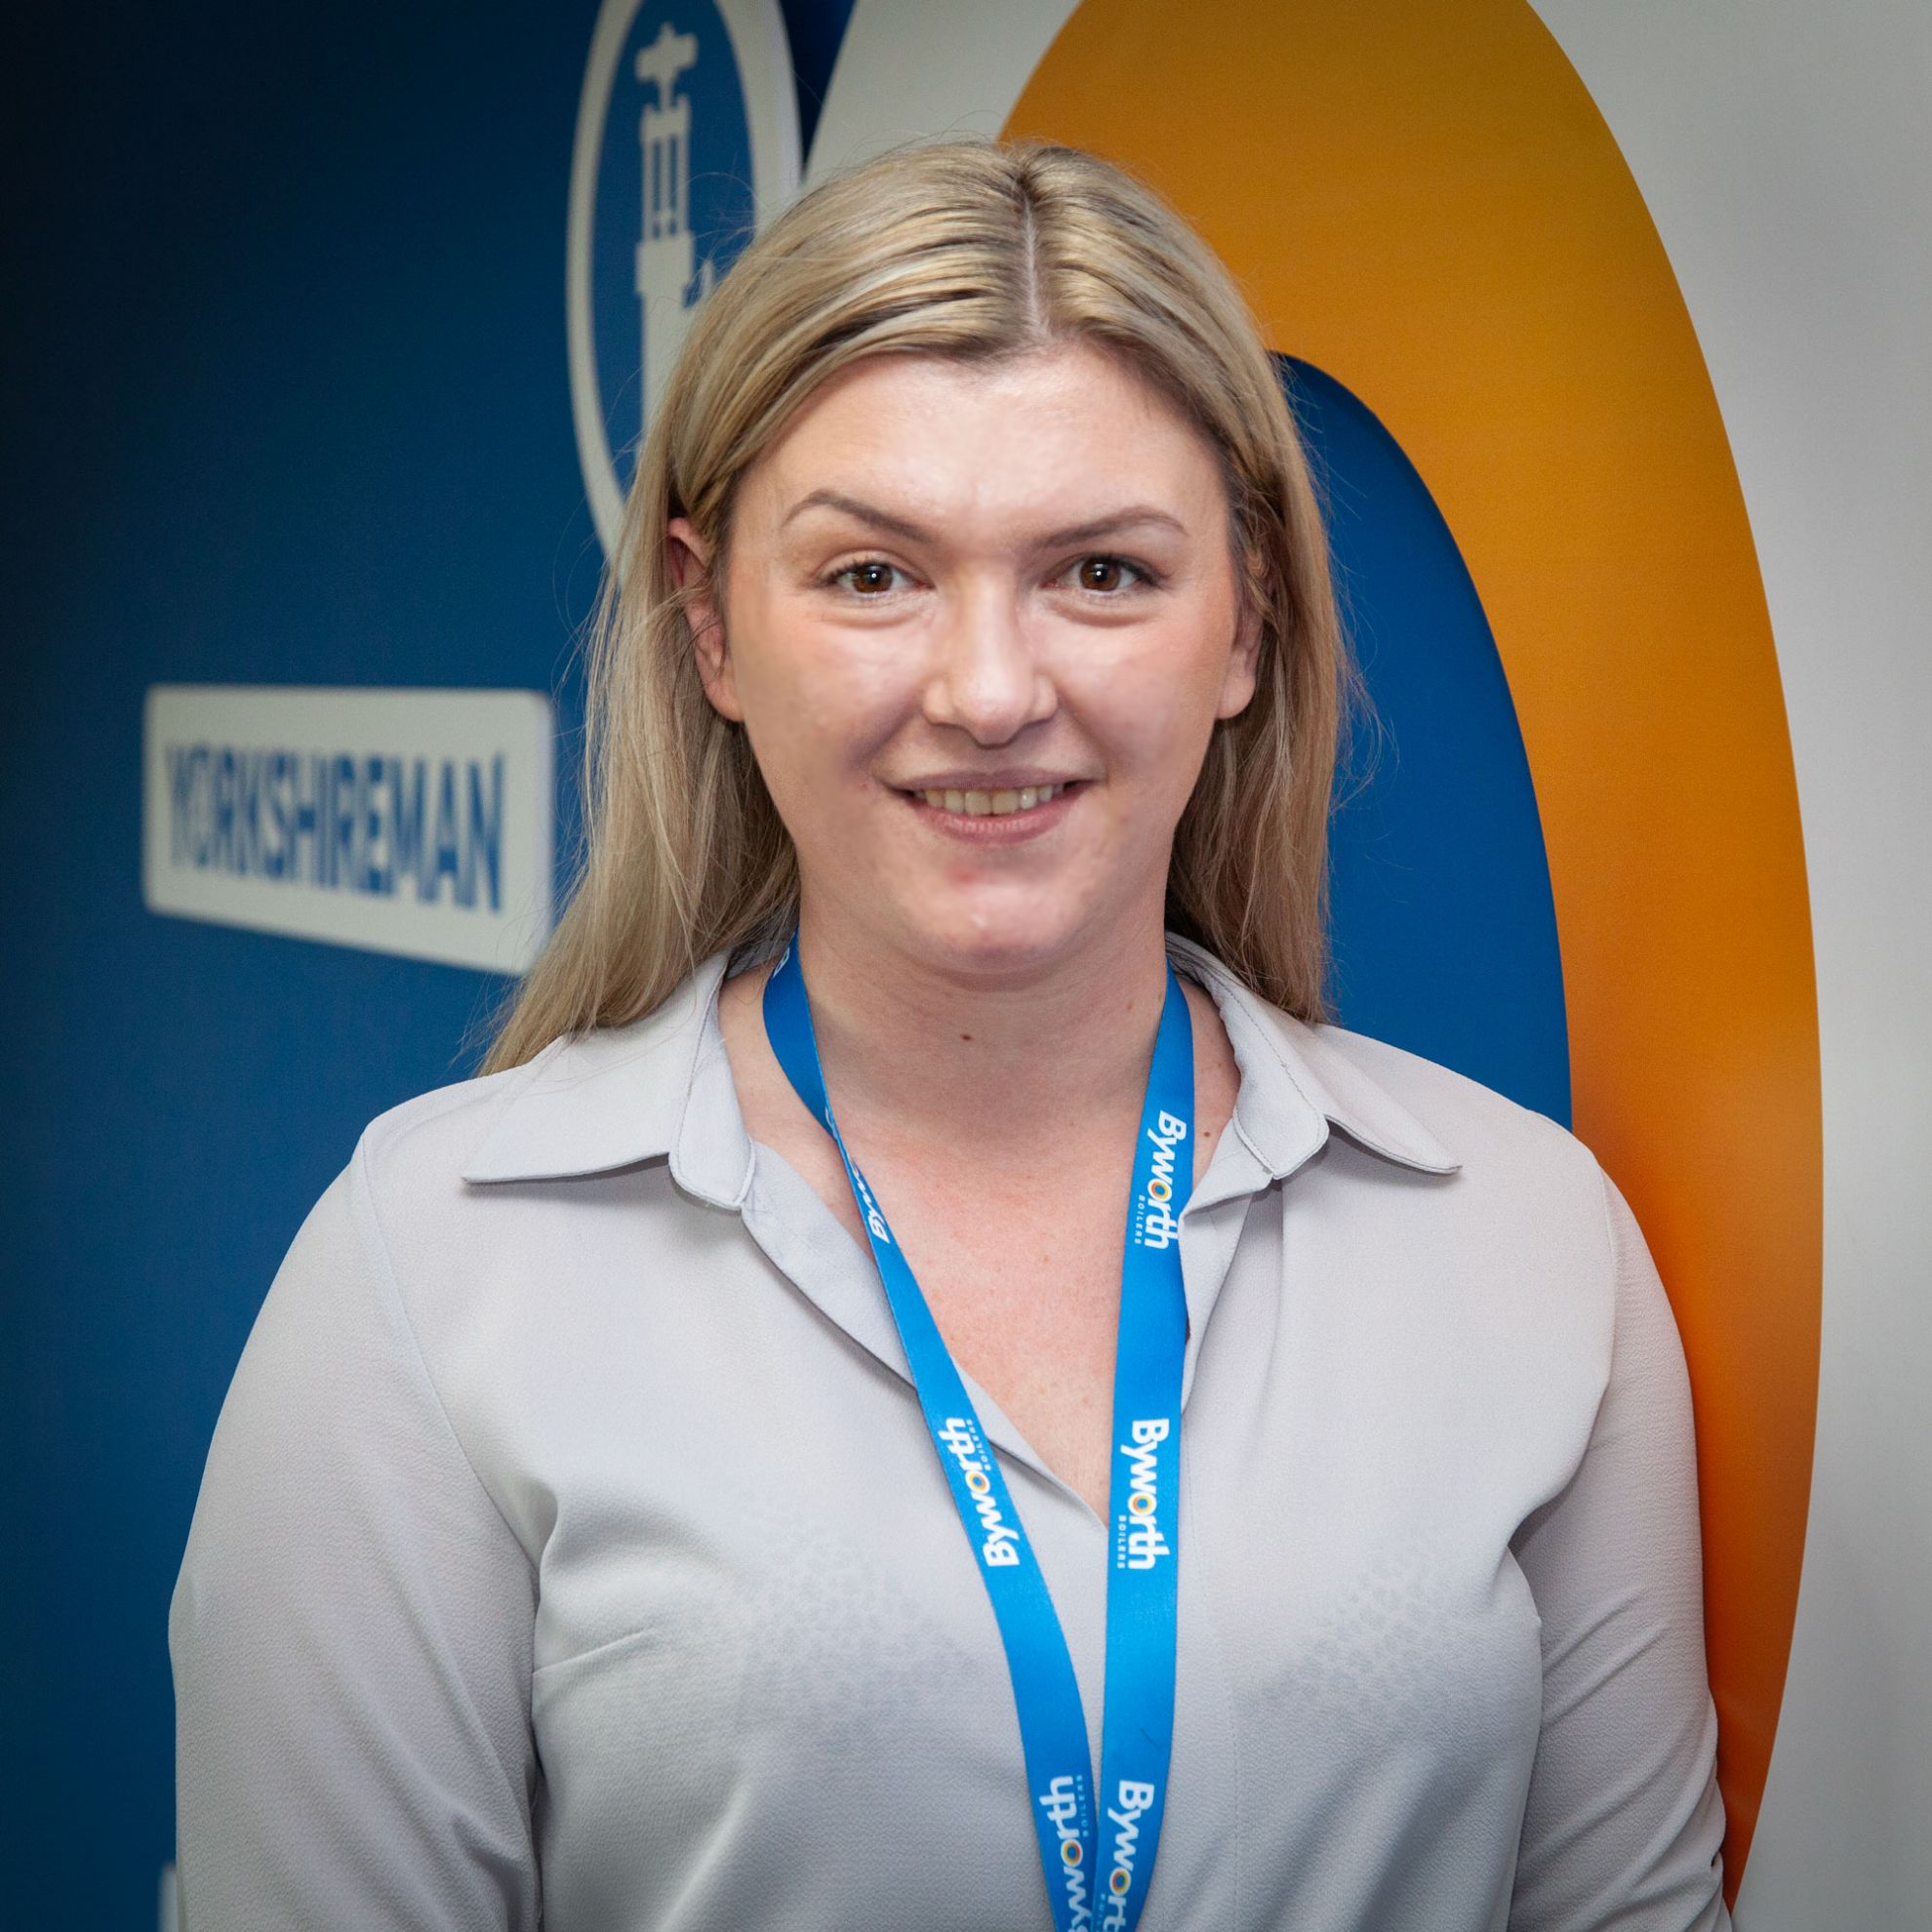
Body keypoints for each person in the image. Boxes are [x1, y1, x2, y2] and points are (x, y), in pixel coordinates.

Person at [170, 137, 1730, 1930]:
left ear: (1248, 624)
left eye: (1104, 575)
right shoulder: (438, 1273)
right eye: (871, 578)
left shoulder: (1528, 1241)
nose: (991, 691)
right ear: (712, 629)